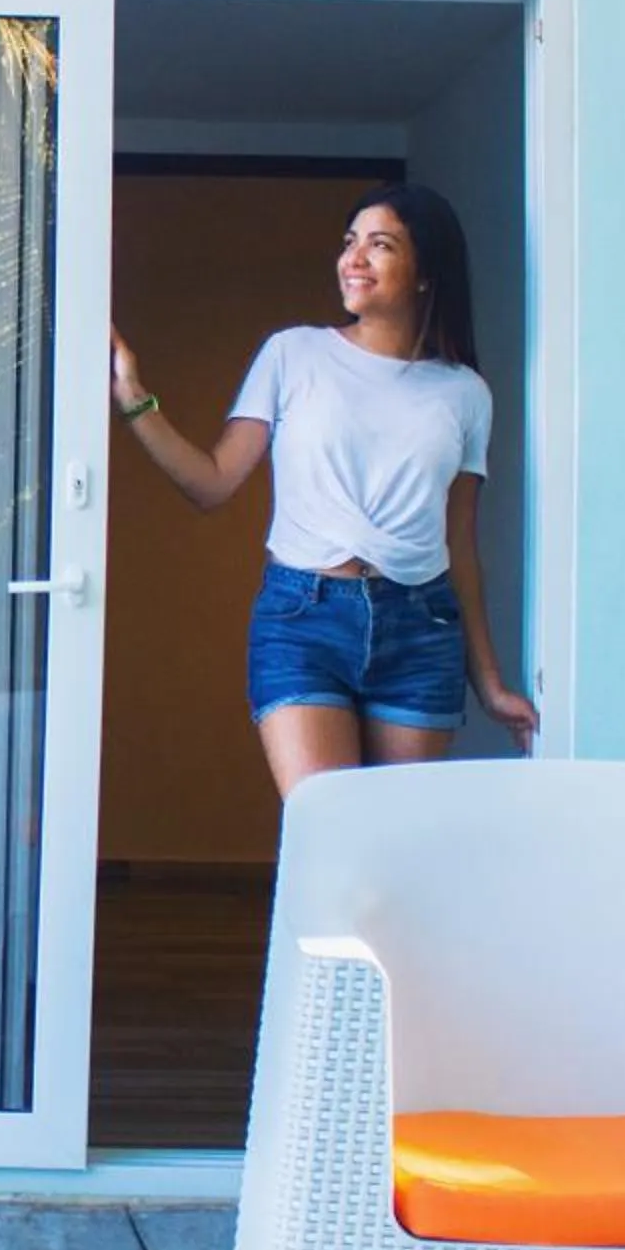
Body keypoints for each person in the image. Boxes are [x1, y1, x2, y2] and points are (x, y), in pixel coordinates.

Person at [110, 182, 537, 797]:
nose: (353, 259)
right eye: (349, 242)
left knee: (394, 848)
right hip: (303, 619)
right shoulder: (292, 354)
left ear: (425, 273)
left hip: (421, 628)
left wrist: (489, 682)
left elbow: (459, 545)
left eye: (380, 245)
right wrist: (133, 400)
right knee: (324, 831)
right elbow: (212, 482)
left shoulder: (465, 394)